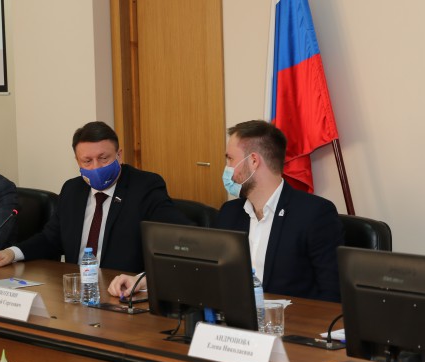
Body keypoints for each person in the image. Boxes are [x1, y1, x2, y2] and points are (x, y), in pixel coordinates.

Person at [109, 120, 343, 302]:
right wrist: (143, 281)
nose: (227, 168)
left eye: (230, 159)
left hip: (289, 332)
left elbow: (333, 296)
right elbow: (201, 271)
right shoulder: (230, 213)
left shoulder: (314, 214)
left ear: (253, 161)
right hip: (234, 328)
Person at [0, 121, 190, 273]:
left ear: (119, 155)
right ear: (77, 162)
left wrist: (142, 281)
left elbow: (178, 237)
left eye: (104, 158)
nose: (96, 167)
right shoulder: (72, 190)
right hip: (78, 290)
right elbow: (51, 239)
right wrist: (12, 253)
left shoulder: (144, 187)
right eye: (87, 161)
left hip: (122, 291)